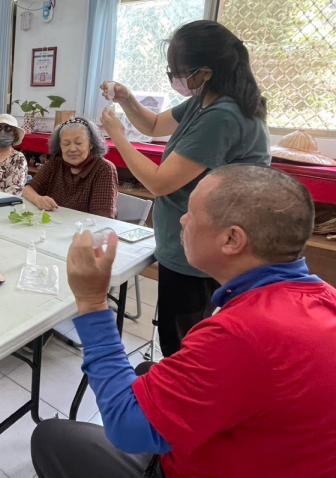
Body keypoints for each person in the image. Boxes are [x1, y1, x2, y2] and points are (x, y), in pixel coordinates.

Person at [31, 165, 336, 478]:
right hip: (274, 453)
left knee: (52, 437)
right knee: (147, 372)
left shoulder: (243, 334)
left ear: (232, 239)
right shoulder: (322, 297)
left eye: (191, 212)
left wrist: (92, 302)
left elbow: (126, 429)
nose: (182, 220)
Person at [99, 20, 270, 356]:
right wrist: (127, 98)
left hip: (205, 247)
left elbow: (159, 182)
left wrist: (116, 136)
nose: (175, 79)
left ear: (205, 72)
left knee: (182, 342)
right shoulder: (204, 99)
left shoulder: (223, 115)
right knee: (178, 331)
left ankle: (177, 399)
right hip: (188, 240)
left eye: (178, 72)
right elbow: (153, 124)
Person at [22, 117, 118, 218]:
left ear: (91, 144)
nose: (72, 149)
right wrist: (38, 200)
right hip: (54, 225)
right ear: (60, 146)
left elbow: (102, 218)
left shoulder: (104, 169)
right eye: (66, 144)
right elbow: (28, 189)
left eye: (79, 143)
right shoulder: (55, 162)